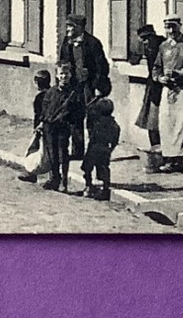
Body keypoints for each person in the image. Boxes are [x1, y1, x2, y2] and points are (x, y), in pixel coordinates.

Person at [152, 15, 183, 178]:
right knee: (168, 125)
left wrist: (179, 73)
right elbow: (156, 68)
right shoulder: (163, 46)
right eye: (167, 27)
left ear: (180, 26)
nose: (171, 30)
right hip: (168, 91)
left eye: (174, 26)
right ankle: (172, 161)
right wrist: (160, 78)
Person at [57, 14, 108, 159]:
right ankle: (77, 151)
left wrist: (98, 85)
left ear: (79, 27)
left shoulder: (93, 43)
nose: (68, 29)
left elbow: (102, 67)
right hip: (74, 86)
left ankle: (94, 151)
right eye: (67, 26)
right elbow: (62, 62)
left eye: (71, 26)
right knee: (74, 118)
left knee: (93, 119)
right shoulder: (67, 43)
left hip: (89, 86)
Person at [37, 63, 81, 192]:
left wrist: (72, 125)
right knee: (52, 154)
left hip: (63, 127)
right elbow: (44, 109)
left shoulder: (74, 93)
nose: (63, 76)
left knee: (63, 154)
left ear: (70, 75)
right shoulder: (51, 92)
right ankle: (54, 179)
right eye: (61, 73)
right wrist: (41, 123)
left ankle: (64, 181)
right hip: (49, 127)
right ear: (56, 75)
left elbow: (79, 112)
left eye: (66, 74)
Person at [133, 23, 166, 173]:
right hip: (152, 87)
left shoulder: (163, 46)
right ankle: (156, 150)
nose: (145, 42)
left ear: (153, 36)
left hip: (164, 87)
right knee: (151, 121)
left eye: (147, 39)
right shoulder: (148, 48)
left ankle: (167, 155)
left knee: (163, 121)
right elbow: (134, 59)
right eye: (142, 40)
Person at [82, 87, 121, 200]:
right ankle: (105, 188)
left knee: (88, 168)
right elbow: (115, 139)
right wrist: (111, 148)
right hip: (105, 150)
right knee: (104, 168)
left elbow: (92, 135)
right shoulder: (114, 124)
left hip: (94, 148)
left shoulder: (98, 123)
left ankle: (89, 185)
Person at [17, 69, 54, 183]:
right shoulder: (53, 93)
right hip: (51, 126)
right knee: (49, 151)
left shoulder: (40, 97)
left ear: (37, 83)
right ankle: (52, 176)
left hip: (42, 127)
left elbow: (39, 114)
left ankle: (32, 173)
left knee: (36, 150)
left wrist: (37, 127)